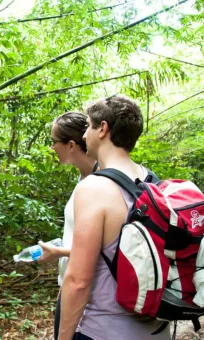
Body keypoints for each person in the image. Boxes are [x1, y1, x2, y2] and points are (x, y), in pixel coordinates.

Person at [58, 95, 165, 340]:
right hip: (156, 330)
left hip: (104, 329)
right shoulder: (154, 183)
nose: (84, 135)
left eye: (88, 126)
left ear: (103, 129)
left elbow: (78, 281)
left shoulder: (94, 188)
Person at [37, 112, 98, 340]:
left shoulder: (98, 183)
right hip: (71, 285)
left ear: (71, 145)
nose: (52, 148)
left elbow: (104, 249)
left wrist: (58, 252)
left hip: (88, 294)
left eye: (54, 142)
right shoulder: (83, 178)